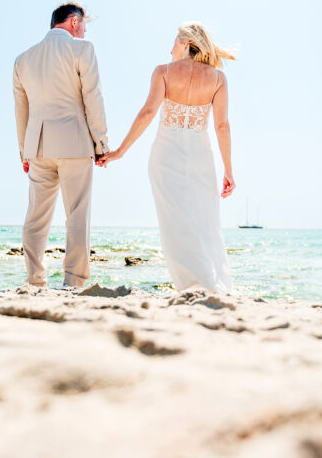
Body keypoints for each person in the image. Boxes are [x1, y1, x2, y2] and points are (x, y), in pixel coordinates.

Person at [100, 22, 236, 293]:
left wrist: (119, 152)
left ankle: (193, 283)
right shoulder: (218, 79)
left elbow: (148, 112)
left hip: (166, 153)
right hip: (202, 155)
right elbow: (222, 126)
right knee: (206, 219)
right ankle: (214, 282)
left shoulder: (163, 71)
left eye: (174, 42)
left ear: (186, 43)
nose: (170, 47)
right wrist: (228, 170)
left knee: (174, 220)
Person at [13, 2, 109, 289]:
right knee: (77, 214)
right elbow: (93, 97)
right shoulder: (82, 49)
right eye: (83, 27)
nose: (83, 33)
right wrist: (101, 143)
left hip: (38, 145)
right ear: (73, 22)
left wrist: (24, 152)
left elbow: (22, 110)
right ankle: (73, 280)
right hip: (75, 143)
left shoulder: (23, 59)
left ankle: (35, 280)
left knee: (36, 218)